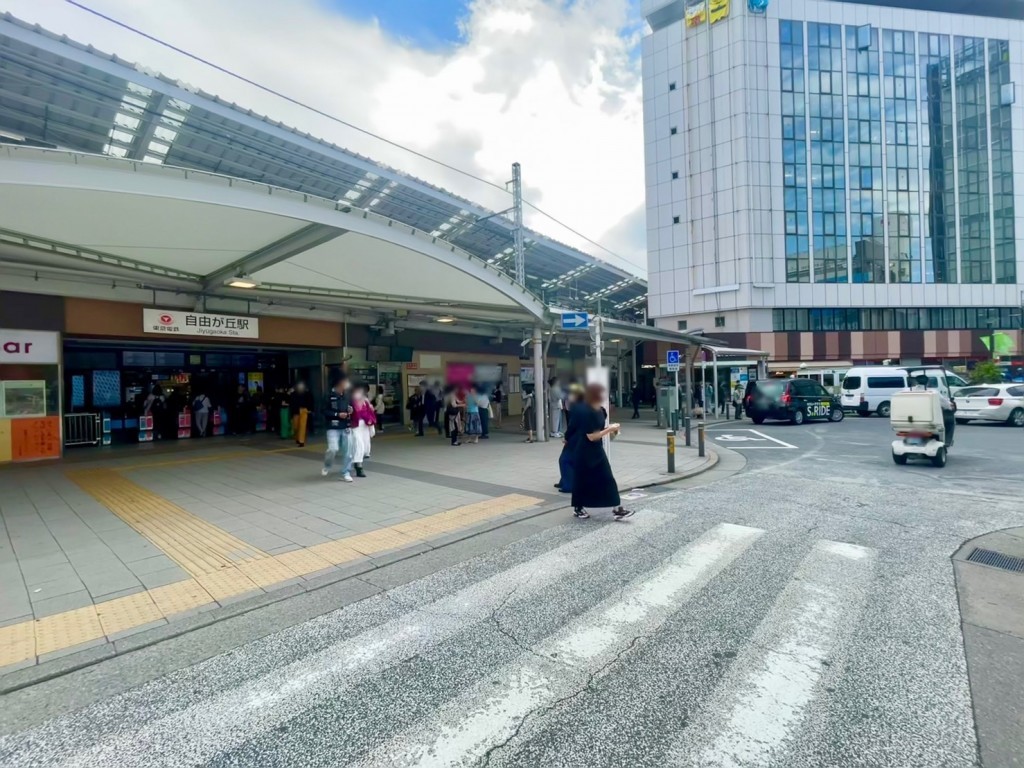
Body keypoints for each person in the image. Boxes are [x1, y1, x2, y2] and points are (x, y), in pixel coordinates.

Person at [570, 383, 635, 521]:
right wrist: (610, 429)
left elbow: (599, 430)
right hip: (584, 450)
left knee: (607, 478)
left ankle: (617, 508)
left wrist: (612, 430)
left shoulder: (601, 410)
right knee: (582, 480)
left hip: (597, 450)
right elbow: (591, 436)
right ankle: (578, 507)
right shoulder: (585, 411)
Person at [322, 375, 354, 482]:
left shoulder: (347, 395)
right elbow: (323, 411)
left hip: (346, 426)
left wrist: (350, 410)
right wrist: (337, 414)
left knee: (348, 451)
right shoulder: (328, 395)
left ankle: (346, 472)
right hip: (333, 427)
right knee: (333, 448)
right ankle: (327, 465)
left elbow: (350, 407)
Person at [556, 384, 586, 493]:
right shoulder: (586, 405)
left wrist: (567, 437)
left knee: (565, 460)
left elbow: (572, 425)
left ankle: (568, 485)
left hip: (576, 438)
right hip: (581, 438)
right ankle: (564, 481)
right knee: (567, 459)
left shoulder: (577, 407)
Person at [349, 385, 376, 477]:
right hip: (355, 426)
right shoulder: (350, 401)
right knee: (358, 444)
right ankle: (358, 466)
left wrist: (371, 426)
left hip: (365, 425)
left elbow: (370, 413)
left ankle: (357, 462)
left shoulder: (366, 401)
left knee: (364, 445)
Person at [289, 381, 314, 448]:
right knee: (296, 426)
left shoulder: (306, 393)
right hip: (296, 411)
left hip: (304, 410)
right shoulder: (293, 394)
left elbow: (310, 400)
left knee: (303, 426)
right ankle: (297, 438)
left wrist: (309, 409)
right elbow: (291, 403)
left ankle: (301, 441)